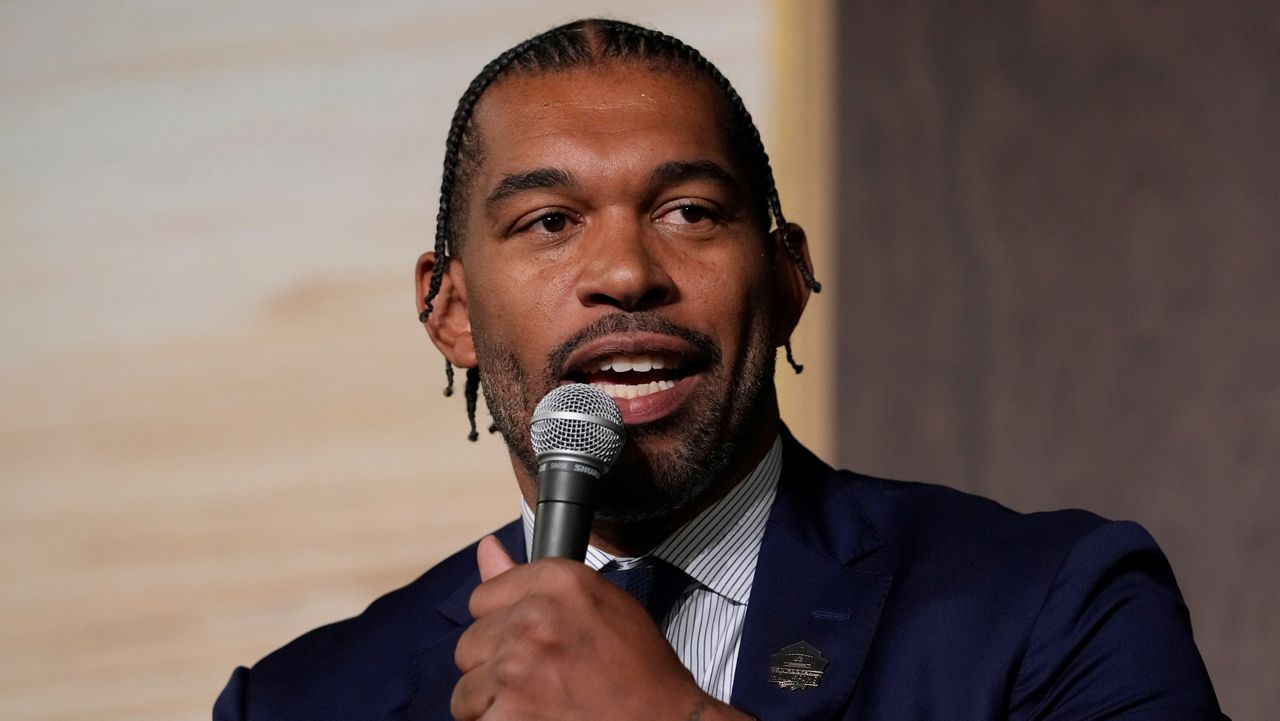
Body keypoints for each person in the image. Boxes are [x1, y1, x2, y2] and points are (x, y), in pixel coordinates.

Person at [214, 18, 1226, 721]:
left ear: (787, 278)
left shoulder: (1055, 605)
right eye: (549, 222)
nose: (622, 271)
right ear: (450, 310)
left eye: (688, 212)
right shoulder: (303, 701)